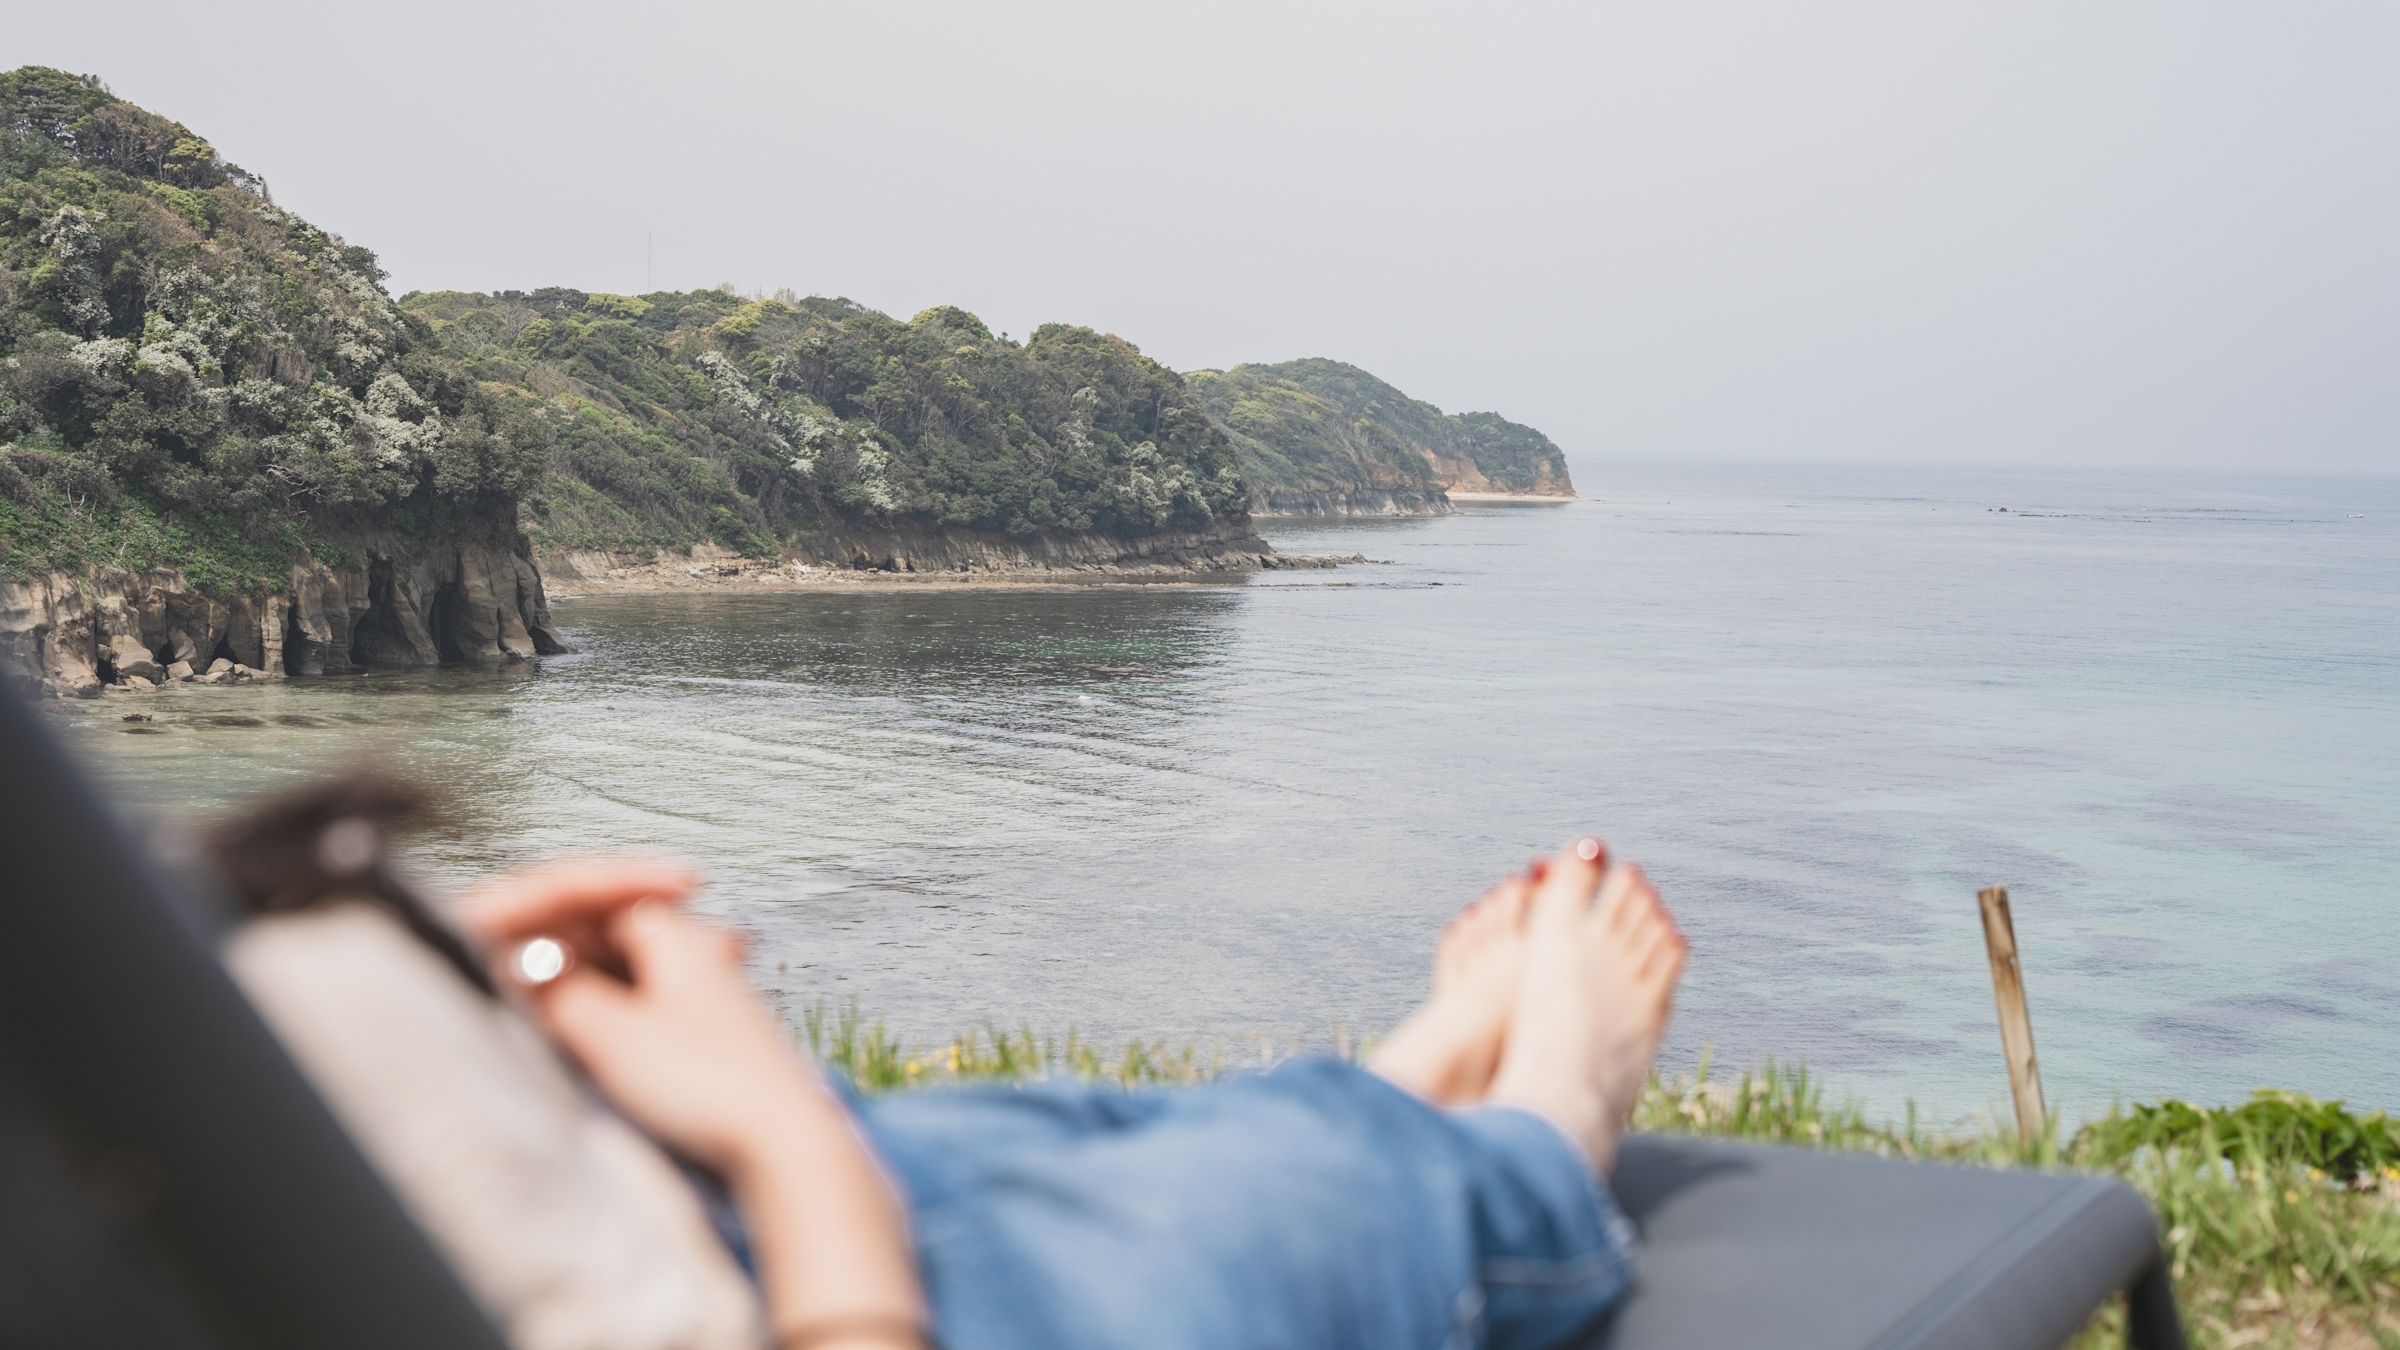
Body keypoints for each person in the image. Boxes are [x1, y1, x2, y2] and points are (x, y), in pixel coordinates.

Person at [457, 837, 1688, 1350]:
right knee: (1304, 1191)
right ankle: (1552, 1114)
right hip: (788, 1271)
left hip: (639, 1185)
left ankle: (1391, 1090)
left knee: (1070, 1121)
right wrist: (787, 1141)